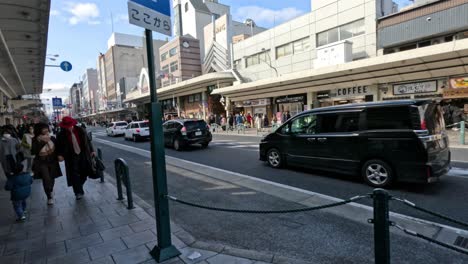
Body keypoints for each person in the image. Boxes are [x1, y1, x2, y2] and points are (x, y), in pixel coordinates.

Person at [56, 116, 95, 200]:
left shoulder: (81, 130)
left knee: (84, 172)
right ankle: (78, 192)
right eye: (67, 126)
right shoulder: (61, 135)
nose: (69, 128)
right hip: (70, 156)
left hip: (83, 154)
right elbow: (58, 146)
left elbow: (88, 141)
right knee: (74, 174)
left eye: (70, 125)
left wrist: (92, 150)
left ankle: (78, 185)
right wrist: (59, 154)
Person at [31, 123, 62, 205]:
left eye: (46, 128)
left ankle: (50, 190)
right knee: (46, 179)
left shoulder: (52, 138)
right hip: (41, 162)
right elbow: (33, 151)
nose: (46, 130)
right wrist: (41, 141)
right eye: (43, 128)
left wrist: (59, 155)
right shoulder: (35, 139)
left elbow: (57, 148)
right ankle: (49, 196)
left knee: (52, 178)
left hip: (53, 161)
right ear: (39, 130)